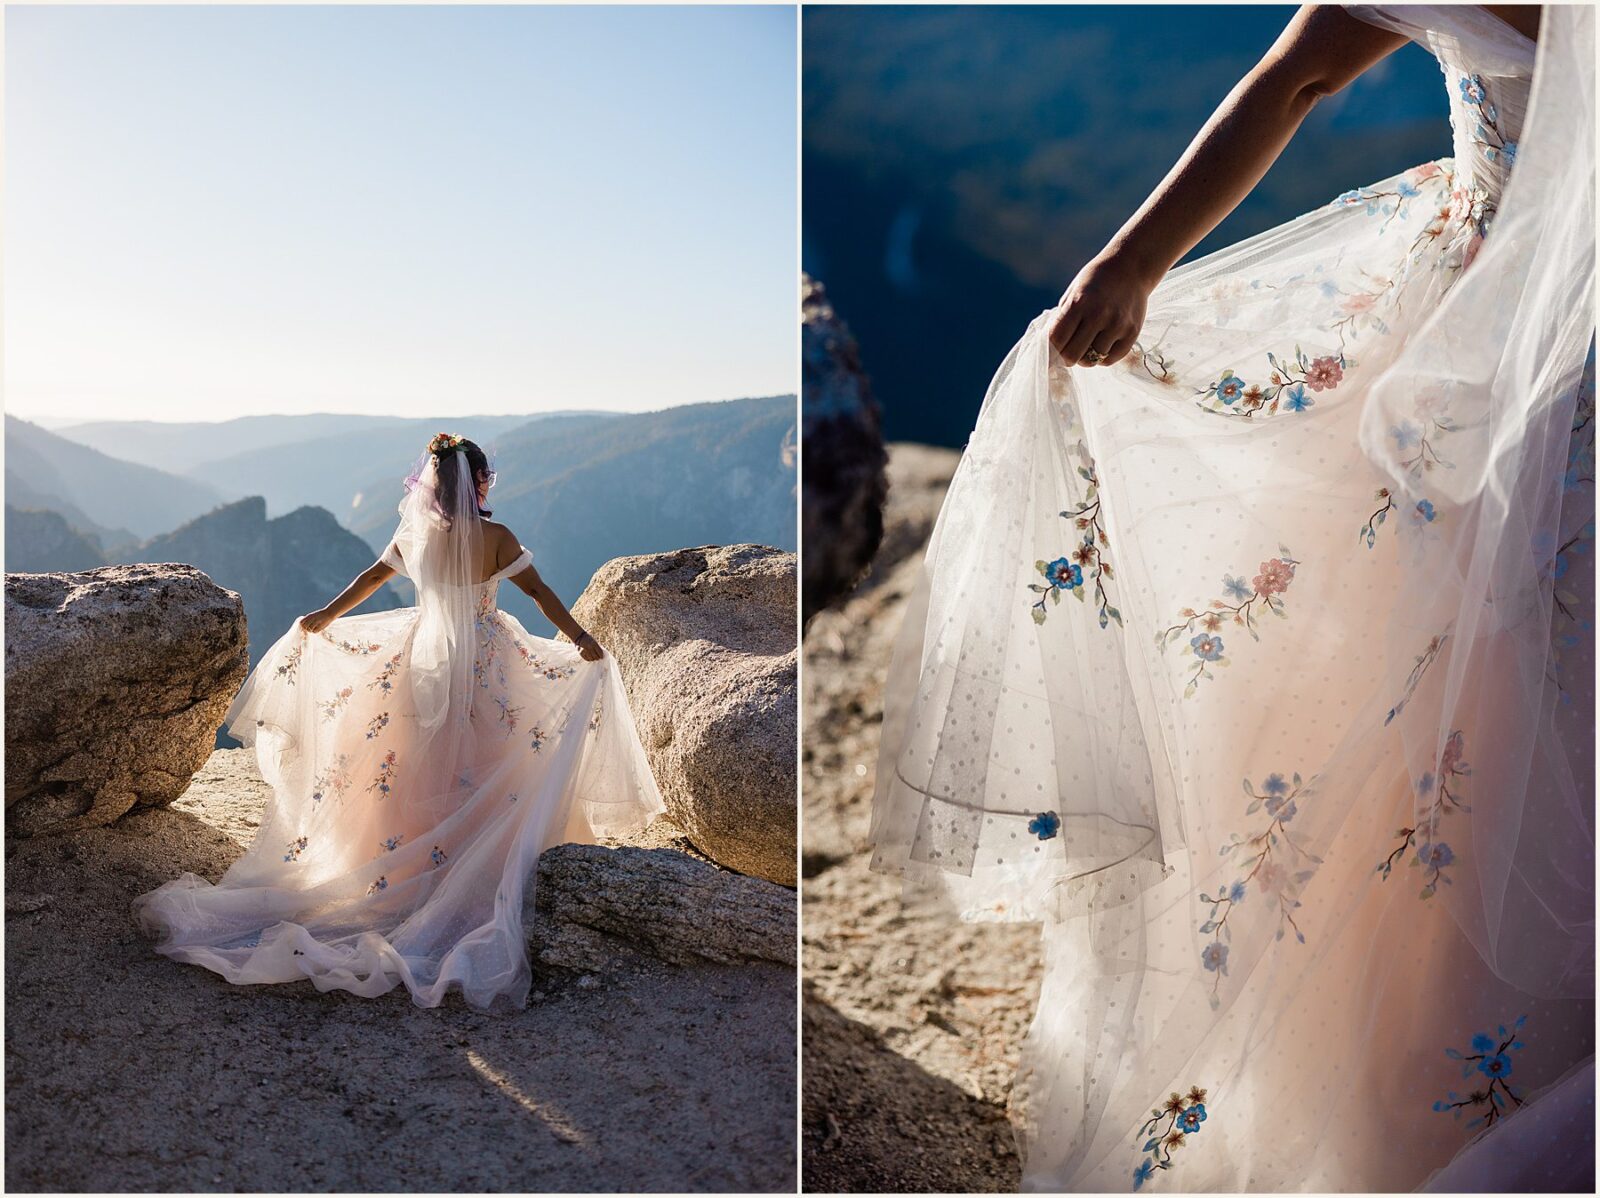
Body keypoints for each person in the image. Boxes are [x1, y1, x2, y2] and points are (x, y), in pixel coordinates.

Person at [871, 5, 1593, 1191]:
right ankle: (1438, 1067)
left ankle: (1429, 1072)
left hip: (1490, 330)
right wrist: (1128, 268)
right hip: (1508, 347)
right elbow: (1295, 72)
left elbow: (1297, 73)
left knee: (1474, 675)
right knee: (1492, 683)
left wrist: (1130, 264)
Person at [136, 433, 664, 1010]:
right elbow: (537, 593)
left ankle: (407, 862)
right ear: (481, 483)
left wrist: (322, 617)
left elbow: (370, 581)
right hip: (486, 660)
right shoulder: (496, 538)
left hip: (423, 660)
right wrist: (582, 639)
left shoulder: (414, 536)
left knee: (413, 754)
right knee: (490, 753)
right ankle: (469, 864)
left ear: (430, 486)